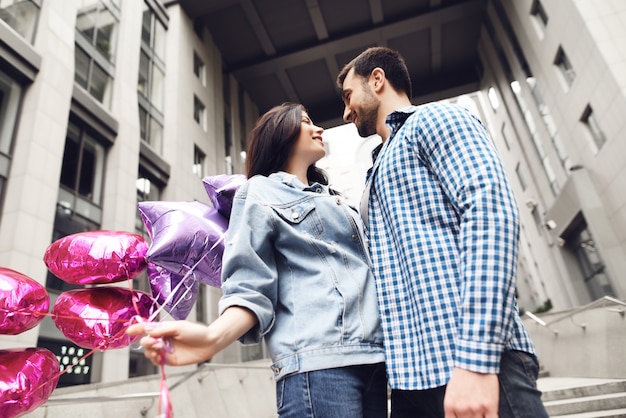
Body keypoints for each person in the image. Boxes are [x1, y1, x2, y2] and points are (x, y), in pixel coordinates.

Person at [127, 102, 387, 418]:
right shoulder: (260, 191)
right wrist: (212, 338)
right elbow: (250, 284)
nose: (318, 128)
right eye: (306, 121)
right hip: (319, 364)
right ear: (281, 133)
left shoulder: (334, 199)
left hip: (373, 362)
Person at [336, 47, 549, 418]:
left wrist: (476, 362)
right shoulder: (375, 167)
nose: (345, 111)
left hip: (471, 362)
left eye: (348, 96)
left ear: (377, 80)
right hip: (410, 381)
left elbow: (489, 215)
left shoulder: (435, 119)